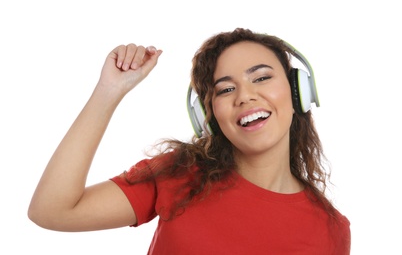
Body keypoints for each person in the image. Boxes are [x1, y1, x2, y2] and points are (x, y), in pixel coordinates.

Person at [28, 28, 351, 254]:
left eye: (262, 77)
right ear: (208, 116)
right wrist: (109, 91)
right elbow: (52, 211)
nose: (245, 96)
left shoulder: (330, 230)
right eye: (225, 89)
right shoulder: (180, 175)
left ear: (298, 91)